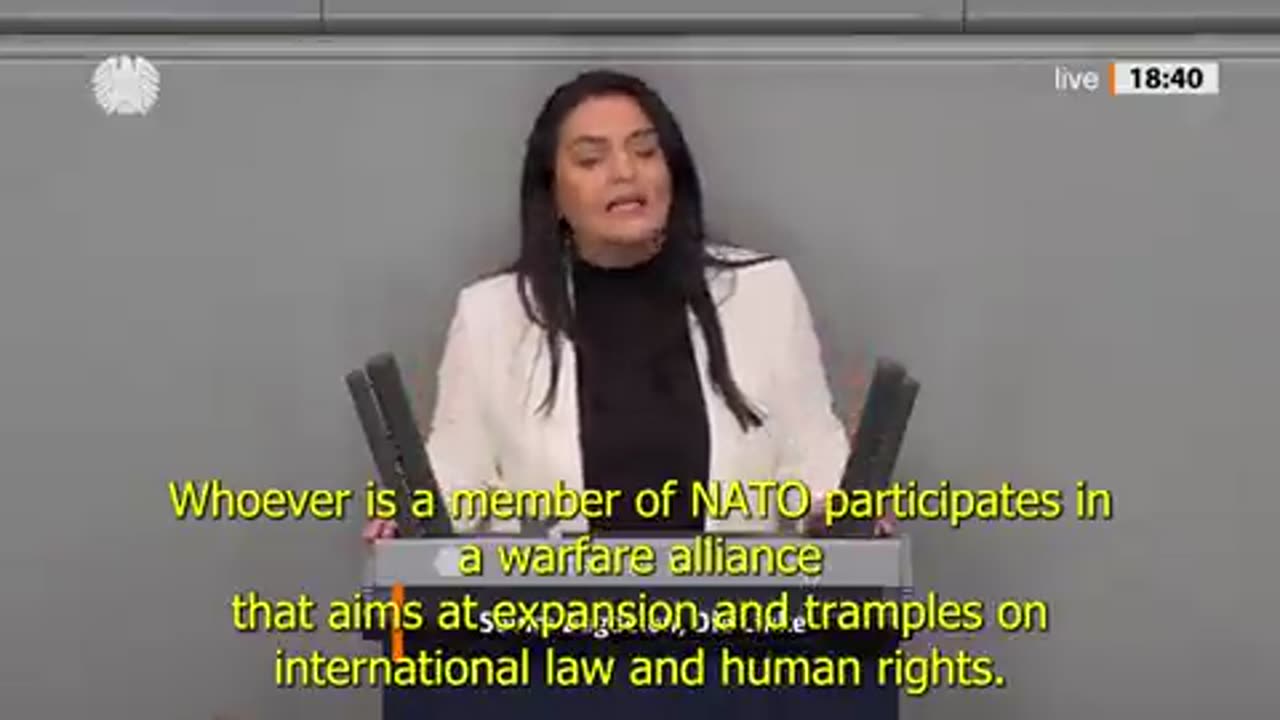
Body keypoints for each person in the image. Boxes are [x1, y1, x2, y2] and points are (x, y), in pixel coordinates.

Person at [363, 69, 898, 718]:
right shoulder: (492, 315)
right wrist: (413, 515)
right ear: (553, 193)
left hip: (734, 659)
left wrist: (844, 506)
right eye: (592, 158)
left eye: (645, 151)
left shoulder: (764, 293)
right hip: (550, 664)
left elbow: (814, 455)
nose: (625, 172)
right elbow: (456, 470)